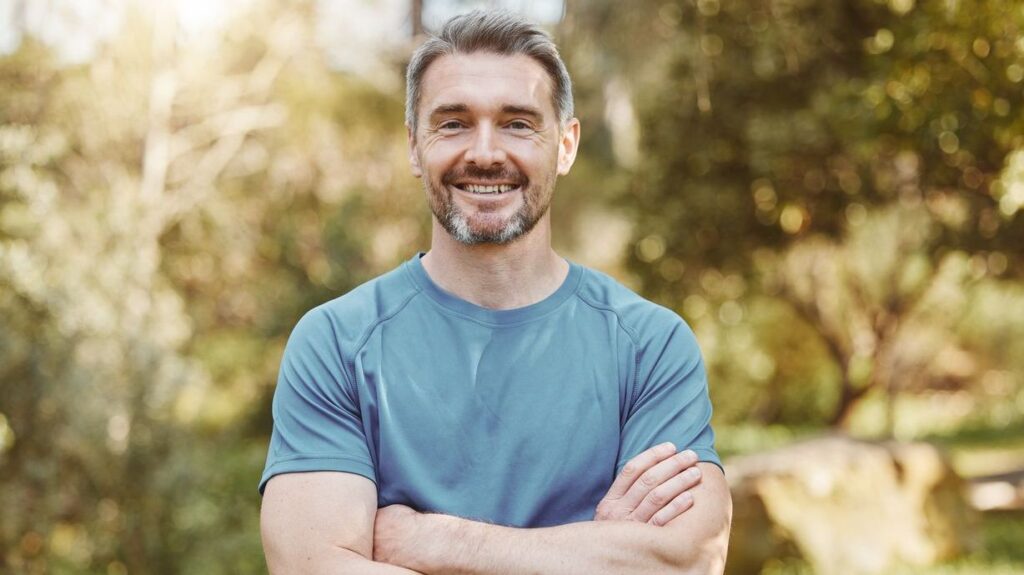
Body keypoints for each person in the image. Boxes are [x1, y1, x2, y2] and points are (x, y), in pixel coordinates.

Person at [259, 9, 732, 574]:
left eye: (518, 123)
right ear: (414, 146)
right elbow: (310, 566)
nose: (484, 152)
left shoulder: (650, 345)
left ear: (565, 145)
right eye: (453, 123)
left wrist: (434, 542)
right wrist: (591, 553)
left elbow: (688, 562)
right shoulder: (336, 343)